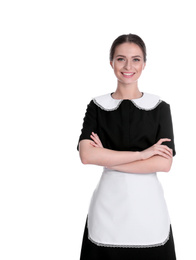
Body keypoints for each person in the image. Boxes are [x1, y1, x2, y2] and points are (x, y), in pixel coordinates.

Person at [77, 34, 176, 260]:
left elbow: (163, 163)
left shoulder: (160, 108)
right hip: (107, 208)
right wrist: (143, 154)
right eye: (121, 59)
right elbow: (86, 155)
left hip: (148, 207)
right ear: (111, 62)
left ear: (144, 64)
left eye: (136, 59)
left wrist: (107, 158)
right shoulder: (97, 106)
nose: (128, 66)